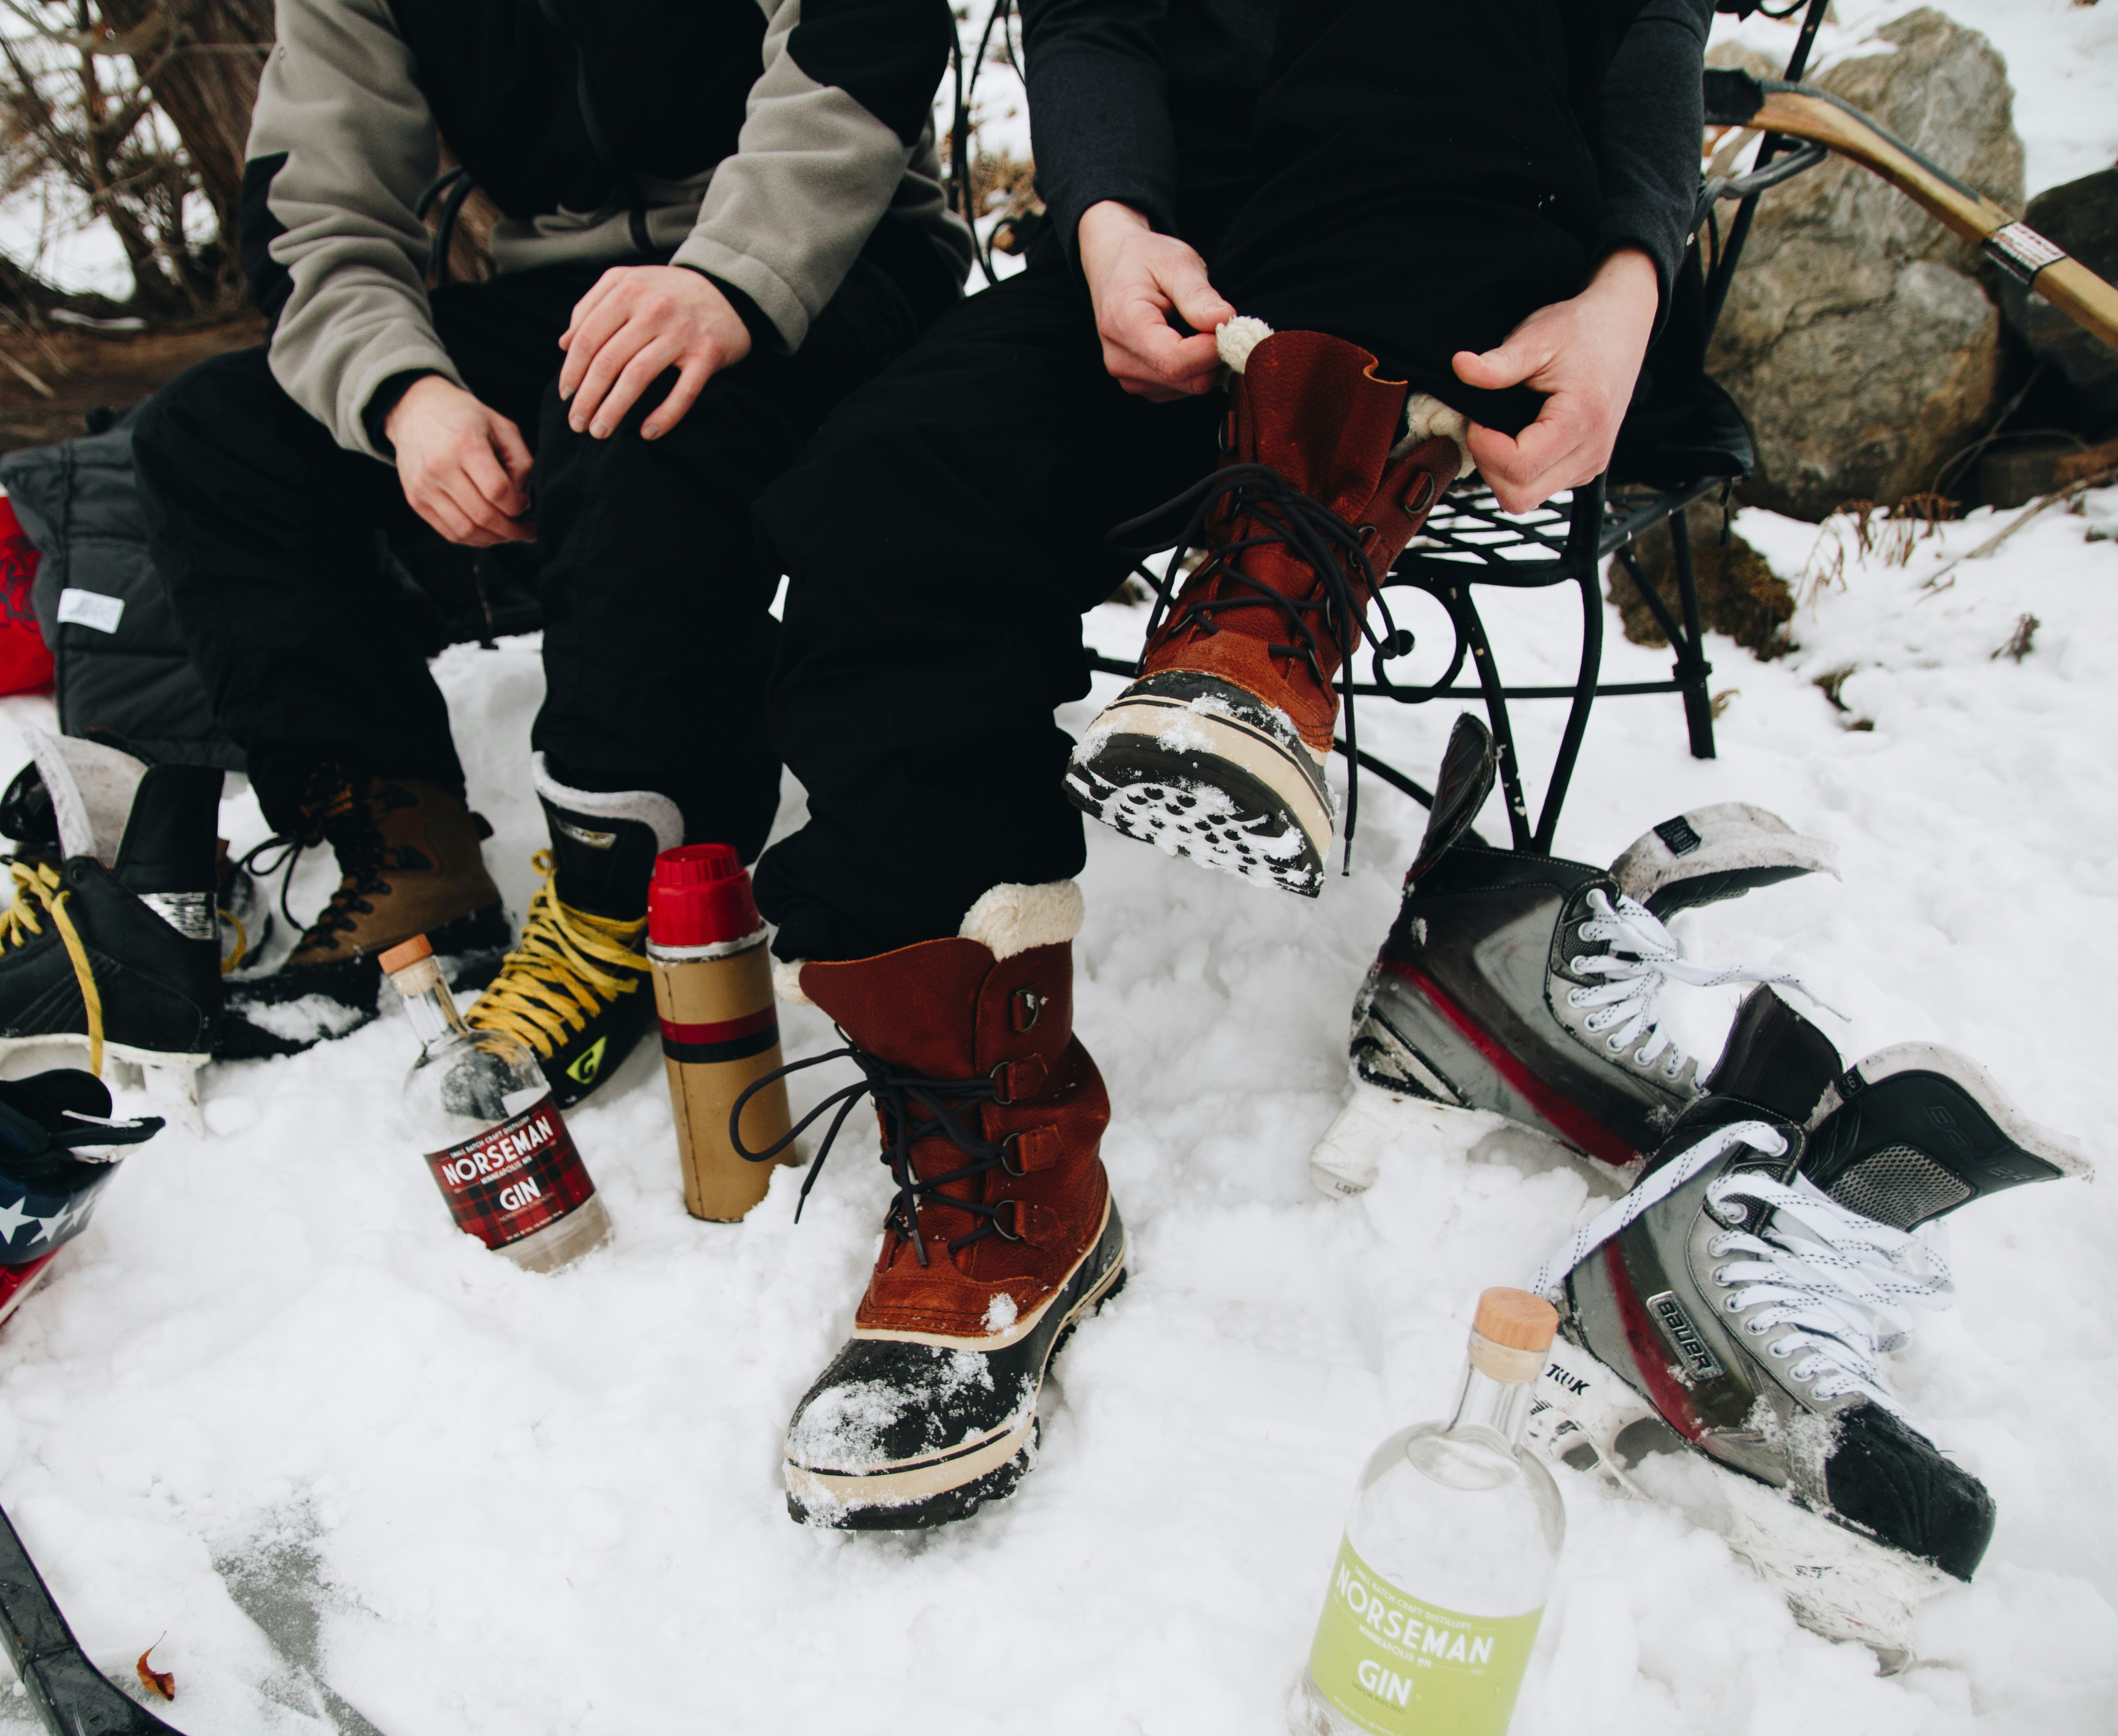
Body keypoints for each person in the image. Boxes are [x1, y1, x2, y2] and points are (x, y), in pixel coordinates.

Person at [749, 0, 1722, 1528]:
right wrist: (1112, 221)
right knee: (889, 489)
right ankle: (1006, 1179)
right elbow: (1096, 25)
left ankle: (1272, 594)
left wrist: (1631, 281)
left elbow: (1650, 24)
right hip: (1201, 281)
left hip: (1486, 270)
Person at [130, 0, 970, 1091]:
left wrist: (726, 277)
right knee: (213, 437)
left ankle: (620, 903)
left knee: (629, 406)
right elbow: (316, 216)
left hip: (829, 247)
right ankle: (411, 858)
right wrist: (406, 395)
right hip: (570, 293)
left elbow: (867, 39)